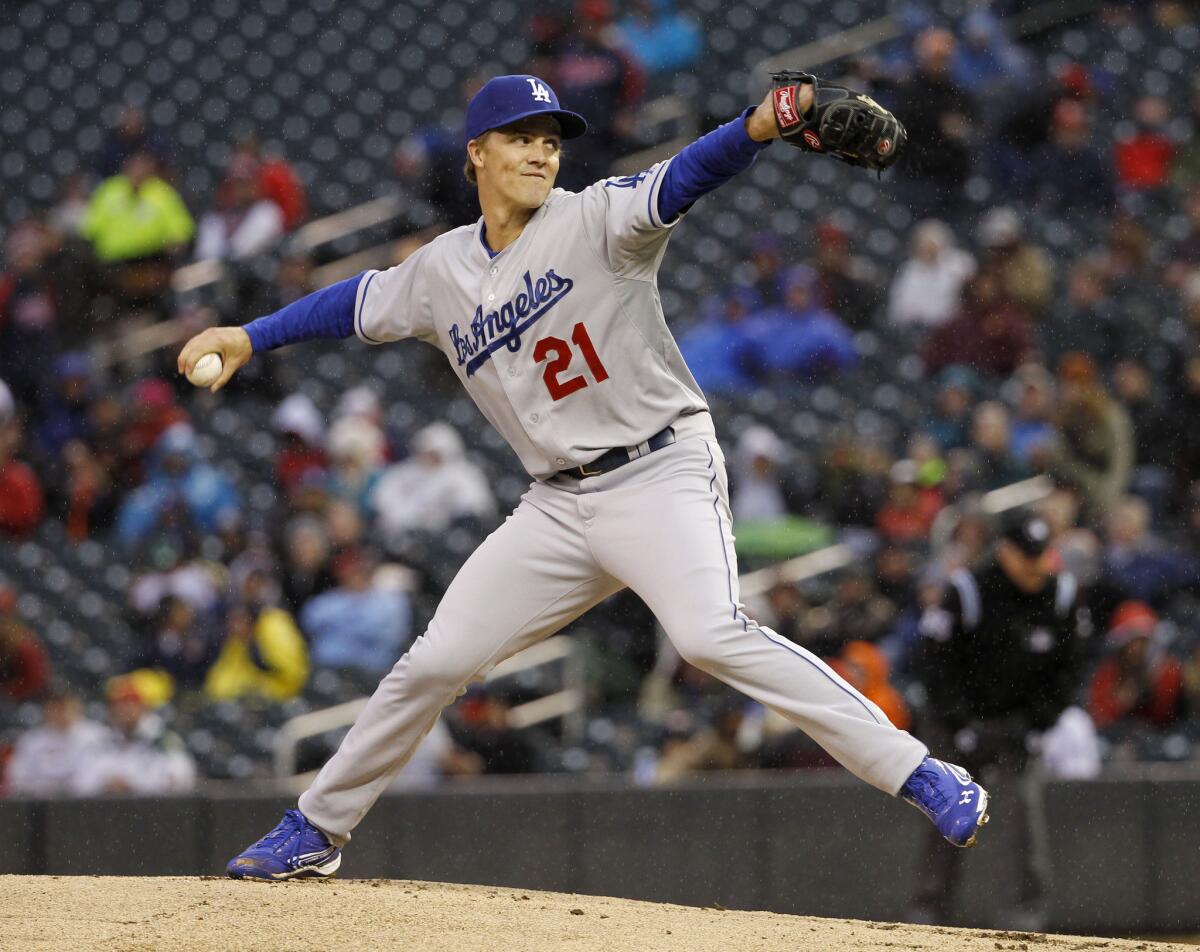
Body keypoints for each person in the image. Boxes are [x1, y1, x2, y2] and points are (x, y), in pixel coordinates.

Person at [180, 73, 990, 881]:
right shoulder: (441, 272)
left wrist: (762, 124)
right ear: (477, 154)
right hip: (557, 507)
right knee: (433, 662)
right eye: (520, 137)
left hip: (660, 469)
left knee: (709, 633)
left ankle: (923, 774)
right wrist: (251, 337)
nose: (539, 152)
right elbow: (355, 301)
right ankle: (317, 827)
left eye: (549, 139)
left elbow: (683, 177)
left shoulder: (597, 219)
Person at [912, 513, 1084, 927]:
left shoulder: (1059, 595)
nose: (1035, 565)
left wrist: (1037, 724)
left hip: (1018, 725)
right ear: (1004, 552)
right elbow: (933, 664)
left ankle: (1026, 920)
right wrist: (961, 723)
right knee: (946, 816)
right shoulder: (968, 590)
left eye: (1040, 555)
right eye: (1026, 556)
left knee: (1022, 822)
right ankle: (929, 915)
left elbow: (1070, 670)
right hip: (957, 724)